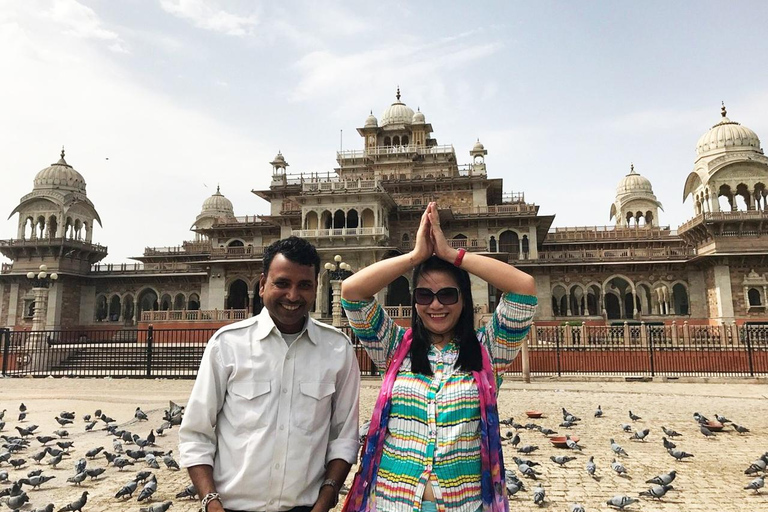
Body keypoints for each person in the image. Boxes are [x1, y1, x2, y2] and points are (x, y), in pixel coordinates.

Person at [340, 202, 537, 512]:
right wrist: (414, 257)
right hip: (393, 503)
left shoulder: (488, 352)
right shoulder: (393, 348)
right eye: (424, 295)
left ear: (463, 299)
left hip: (464, 503)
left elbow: (524, 288)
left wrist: (451, 254)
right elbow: (351, 291)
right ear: (414, 300)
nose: (435, 305)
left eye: (447, 294)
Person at [179, 236, 361, 512]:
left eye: (304, 285)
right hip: (231, 507)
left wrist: (326, 498)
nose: (292, 296)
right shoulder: (228, 344)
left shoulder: (337, 350)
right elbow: (196, 433)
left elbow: (344, 438)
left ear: (316, 289)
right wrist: (210, 503)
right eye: (282, 283)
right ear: (263, 284)